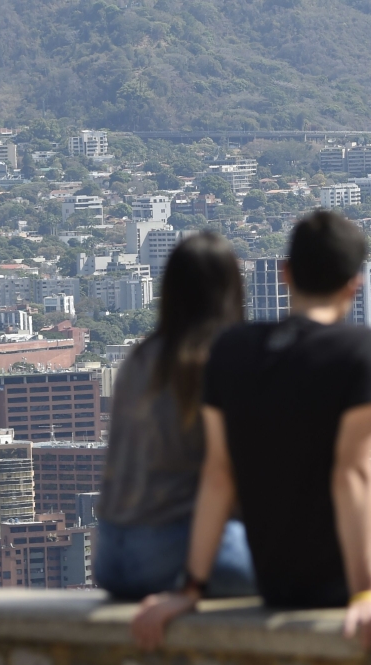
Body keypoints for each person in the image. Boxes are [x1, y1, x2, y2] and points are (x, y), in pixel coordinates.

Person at [131, 211, 371, 650]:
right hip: (348, 573)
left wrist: (189, 589)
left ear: (285, 274)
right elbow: (351, 473)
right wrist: (367, 590)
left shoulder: (232, 349)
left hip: (277, 580)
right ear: (355, 285)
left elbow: (218, 475)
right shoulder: (358, 349)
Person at [94, 231, 256, 600]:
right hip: (174, 556)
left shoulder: (140, 358)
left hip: (111, 558)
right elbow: (226, 474)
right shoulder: (222, 358)